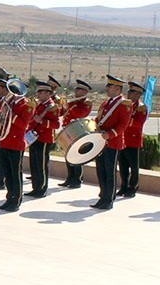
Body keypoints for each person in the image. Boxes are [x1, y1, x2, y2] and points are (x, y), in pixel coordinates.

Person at [92, 75, 132, 210]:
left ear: (117, 89)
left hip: (113, 142)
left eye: (110, 87)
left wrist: (109, 135)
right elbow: (99, 118)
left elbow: (123, 125)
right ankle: (103, 196)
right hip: (101, 142)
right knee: (101, 170)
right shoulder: (106, 103)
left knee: (110, 171)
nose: (107, 89)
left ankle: (109, 199)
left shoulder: (124, 104)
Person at [0, 78, 33, 212]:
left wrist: (10, 114)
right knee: (7, 173)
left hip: (16, 142)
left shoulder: (27, 105)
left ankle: (16, 200)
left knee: (15, 174)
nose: (13, 93)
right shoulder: (7, 102)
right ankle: (9, 198)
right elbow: (3, 118)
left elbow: (23, 123)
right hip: (5, 141)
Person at [25, 81, 59, 198]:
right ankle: (35, 187)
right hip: (34, 138)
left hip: (44, 138)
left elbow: (56, 125)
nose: (38, 94)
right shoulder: (39, 105)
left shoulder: (52, 106)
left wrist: (42, 121)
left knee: (42, 165)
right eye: (38, 91)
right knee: (34, 164)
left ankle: (42, 188)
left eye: (40, 92)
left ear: (48, 93)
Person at [58, 79, 93, 188]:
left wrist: (72, 105)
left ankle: (77, 179)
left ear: (84, 92)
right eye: (76, 89)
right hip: (68, 130)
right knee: (68, 155)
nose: (76, 92)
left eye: (79, 90)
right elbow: (61, 112)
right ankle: (70, 177)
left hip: (78, 131)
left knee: (77, 156)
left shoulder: (86, 103)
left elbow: (81, 113)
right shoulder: (74, 101)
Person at [118, 81, 147, 198]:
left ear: (138, 94)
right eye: (129, 91)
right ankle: (124, 186)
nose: (129, 93)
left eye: (132, 91)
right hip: (123, 139)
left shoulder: (141, 107)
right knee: (123, 166)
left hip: (133, 140)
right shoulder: (125, 104)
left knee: (133, 166)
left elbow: (138, 123)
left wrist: (125, 119)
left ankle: (133, 187)